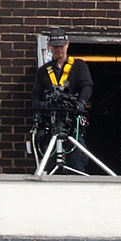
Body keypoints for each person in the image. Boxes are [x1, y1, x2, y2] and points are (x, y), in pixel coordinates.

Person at [31, 29, 94, 174]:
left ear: (67, 45)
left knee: (76, 162)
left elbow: (87, 86)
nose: (58, 49)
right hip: (50, 127)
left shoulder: (79, 66)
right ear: (49, 47)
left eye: (61, 45)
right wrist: (44, 106)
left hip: (72, 127)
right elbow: (35, 98)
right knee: (49, 164)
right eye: (55, 46)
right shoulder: (43, 72)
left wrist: (81, 103)